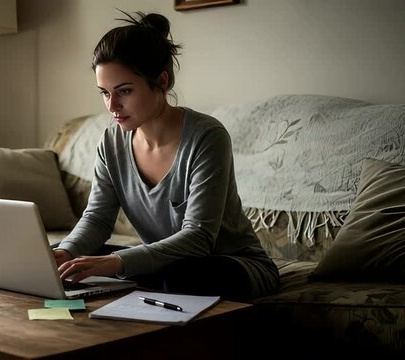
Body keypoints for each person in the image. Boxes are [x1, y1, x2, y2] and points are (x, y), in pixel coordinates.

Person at [53, 11, 279, 301]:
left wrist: (119, 263)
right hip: (167, 264)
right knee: (66, 260)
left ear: (160, 81)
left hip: (230, 265)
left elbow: (198, 239)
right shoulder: (111, 142)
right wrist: (67, 251)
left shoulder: (207, 137)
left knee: (177, 277)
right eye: (105, 93)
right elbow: (97, 219)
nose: (112, 106)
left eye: (124, 91)